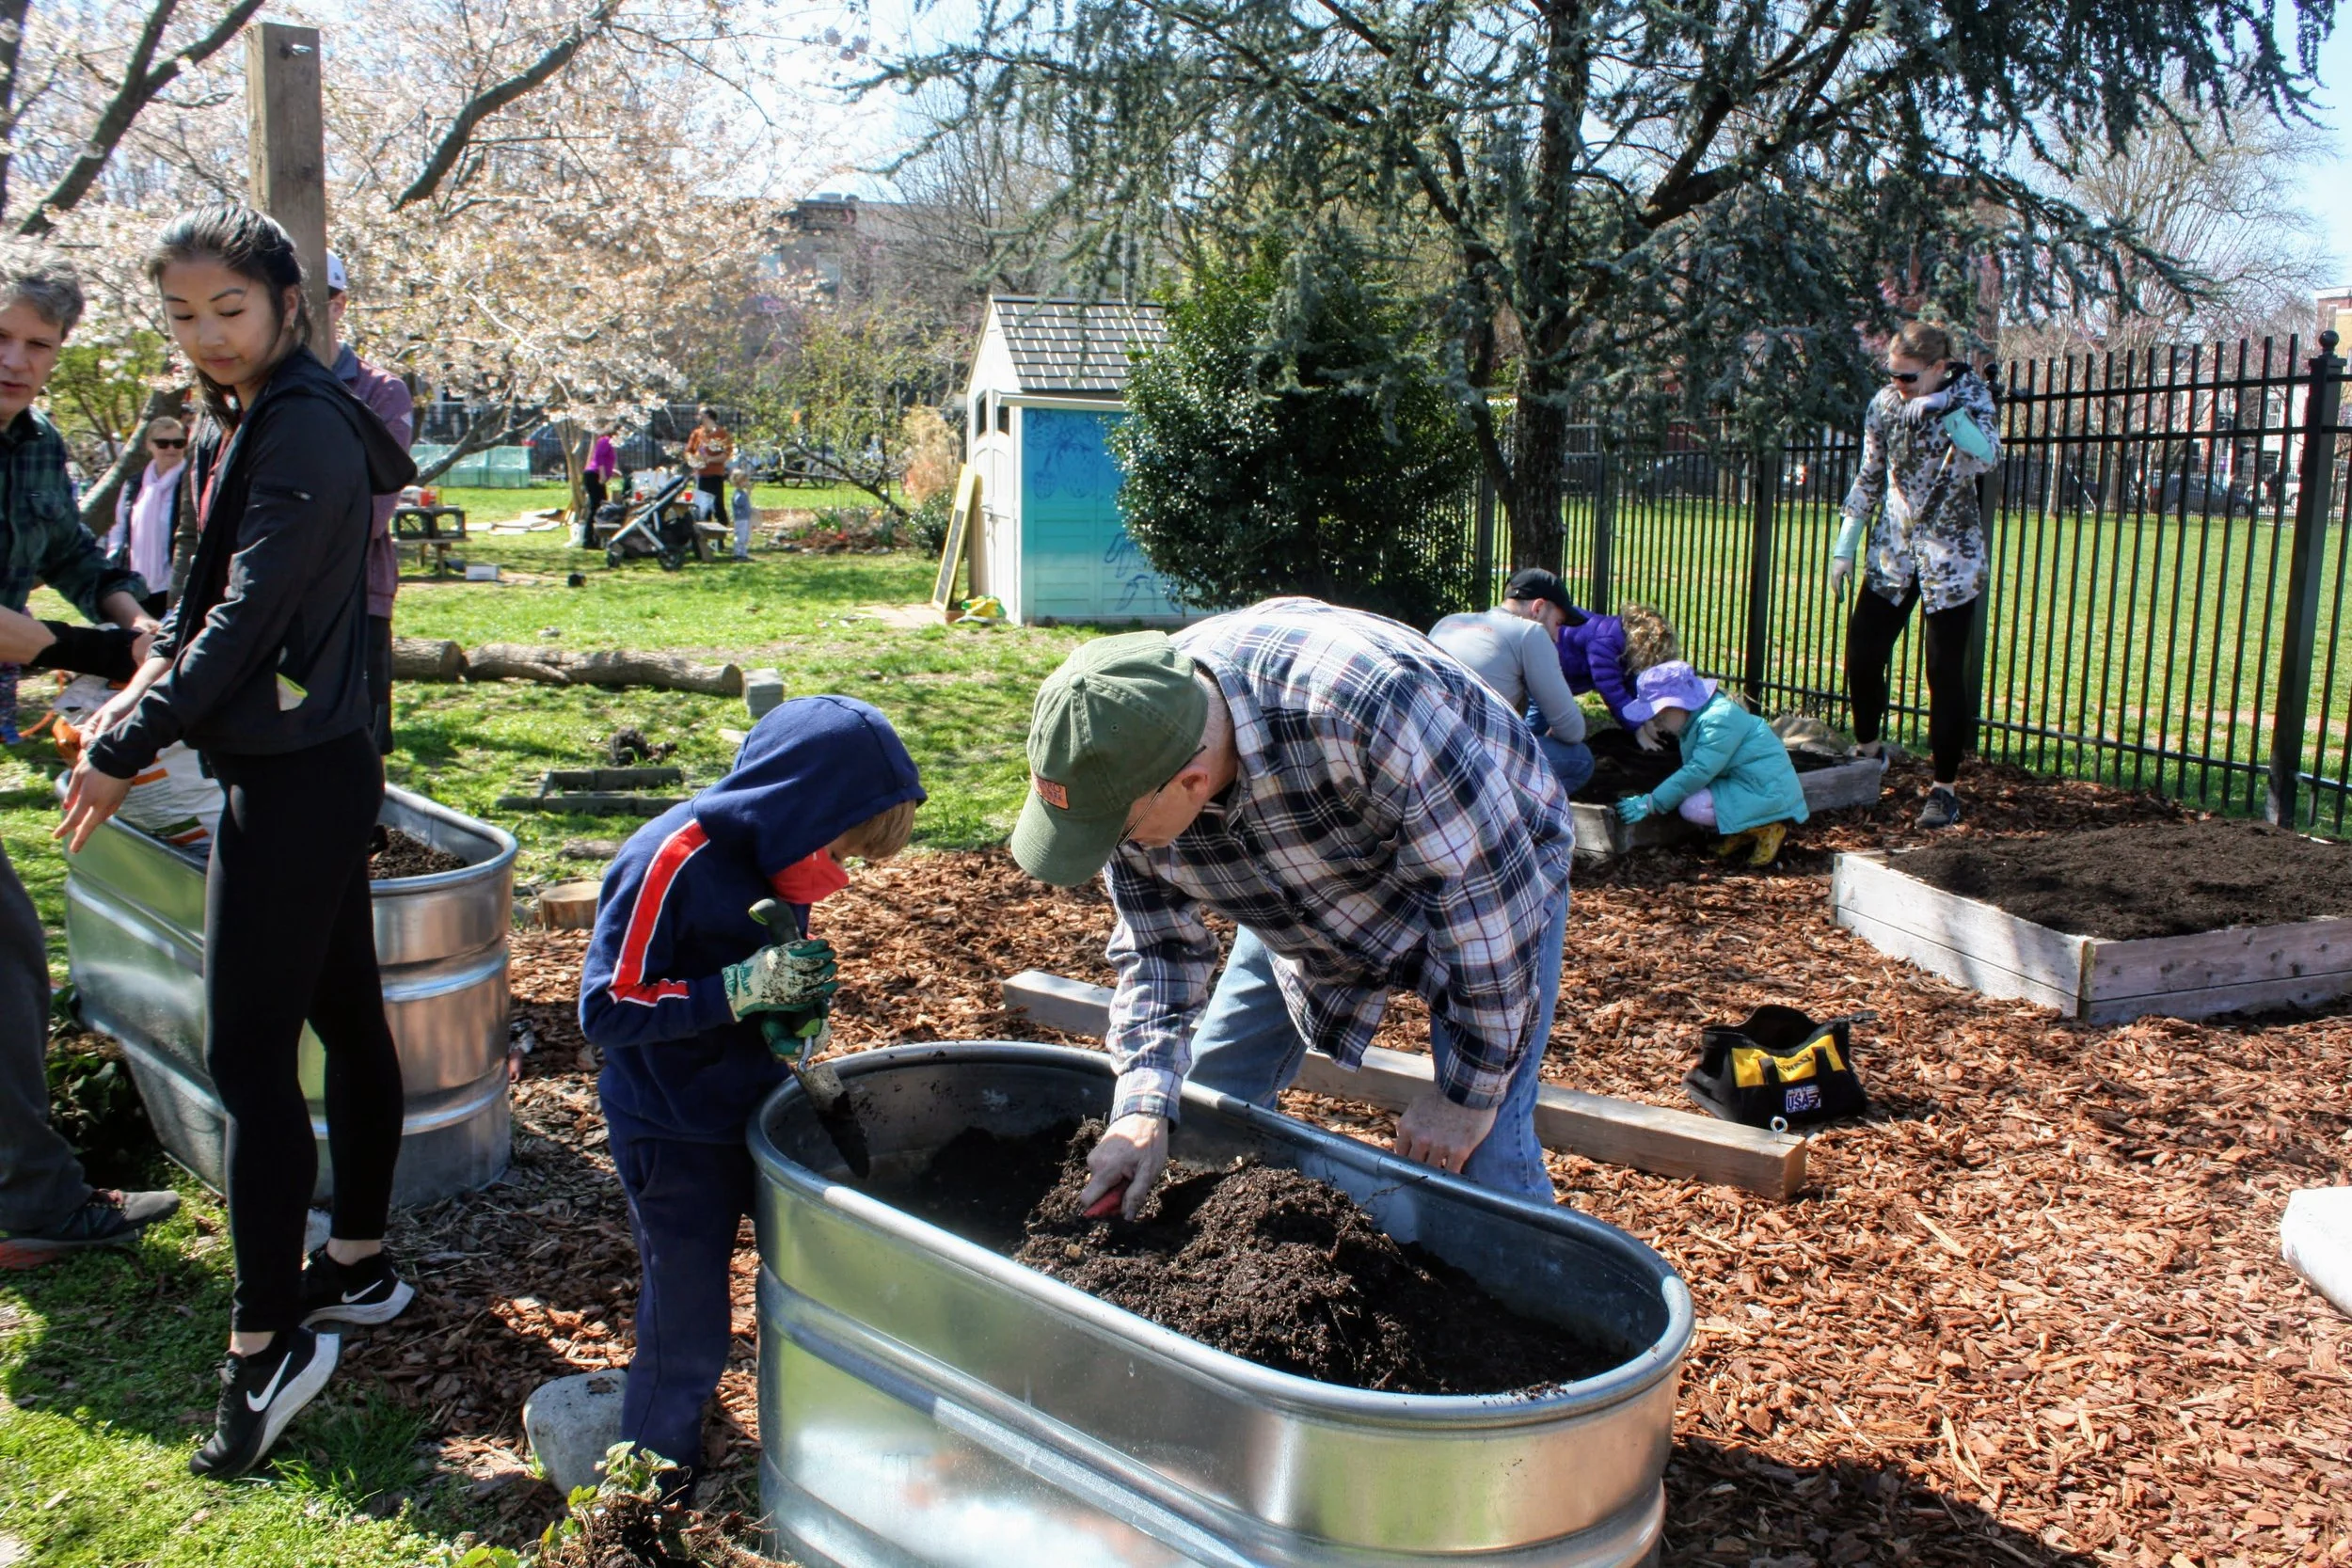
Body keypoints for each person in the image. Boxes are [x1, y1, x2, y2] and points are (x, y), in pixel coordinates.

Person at [57, 205, 420, 1479]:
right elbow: (212, 607)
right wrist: (132, 675)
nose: (209, 337)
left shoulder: (304, 426)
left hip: (299, 773)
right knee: (344, 1013)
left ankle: (268, 1344)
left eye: (230, 310)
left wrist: (122, 739)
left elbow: (249, 616)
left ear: (286, 304)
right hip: (308, 759)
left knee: (248, 1056)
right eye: (184, 316)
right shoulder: (258, 412)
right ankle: (361, 1264)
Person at [1014, 597, 1575, 1216]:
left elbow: (1485, 908)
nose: (1118, 851)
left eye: (1119, 834)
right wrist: (1143, 1103)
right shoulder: (1130, 757)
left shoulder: (1364, 708)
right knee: (1207, 1099)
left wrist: (1467, 1098)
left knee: (1483, 1157)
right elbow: (1159, 953)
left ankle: (1538, 1291)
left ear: (1192, 783)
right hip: (1299, 871)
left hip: (1487, 873)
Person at [579, 697, 923, 1497]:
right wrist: (735, 991)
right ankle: (649, 1470)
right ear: (793, 804)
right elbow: (606, 1007)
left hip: (756, 1107)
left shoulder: (780, 851)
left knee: (805, 1277)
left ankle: (822, 1430)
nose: (838, 874)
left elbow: (770, 959)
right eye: (838, 850)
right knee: (689, 1313)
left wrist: (790, 1012)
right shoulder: (669, 860)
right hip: (670, 1124)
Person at [0, 250, 178, 1272]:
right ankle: (36, 1198)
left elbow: (69, 548)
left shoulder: (32, 443)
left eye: (42, 346)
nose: (20, 362)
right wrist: (72, 650)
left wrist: (131, 618)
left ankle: (32, 1189)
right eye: (6, 338)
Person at [1834, 320, 2001, 829]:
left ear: (1938, 367)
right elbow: (1870, 473)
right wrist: (1846, 544)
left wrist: (1948, 410)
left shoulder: (1970, 395)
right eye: (1892, 375)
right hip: (1894, 552)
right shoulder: (1885, 404)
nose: (1898, 386)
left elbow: (1988, 457)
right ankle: (1869, 754)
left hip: (1951, 558)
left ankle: (1944, 789)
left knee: (1943, 673)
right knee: (1862, 653)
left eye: (1908, 377)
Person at [325, 251, 416, 756]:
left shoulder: (379, 392)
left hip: (357, 594)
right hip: (268, 602)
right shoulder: (250, 391)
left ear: (339, 305)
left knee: (358, 747)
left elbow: (372, 510)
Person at [1614, 660, 1808, 865]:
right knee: (1694, 797)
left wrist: (1653, 802)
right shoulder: (1699, 719)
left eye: (1660, 713)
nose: (1655, 720)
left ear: (1682, 704)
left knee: (1692, 807)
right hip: (1750, 783)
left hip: (1767, 790)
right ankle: (1741, 830)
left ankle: (1767, 828)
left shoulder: (1718, 720)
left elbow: (1699, 771)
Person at [1428, 567, 1593, 794]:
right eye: (1557, 624)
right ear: (1538, 607)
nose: (1556, 637)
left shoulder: (1448, 623)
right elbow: (1573, 731)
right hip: (1466, 759)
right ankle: (1513, 823)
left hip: (1424, 747)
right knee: (1580, 760)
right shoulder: (1530, 632)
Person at [1556, 600, 1681, 748]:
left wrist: (1646, 720)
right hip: (1552, 668)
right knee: (1541, 713)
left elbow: (1631, 686)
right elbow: (1613, 693)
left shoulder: (1623, 643)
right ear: (1640, 645)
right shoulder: (1605, 644)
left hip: (1565, 675)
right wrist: (1639, 732)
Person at [107, 416, 187, 617]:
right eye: (163, 443)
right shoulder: (134, 485)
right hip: (137, 583)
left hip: (175, 584)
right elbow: (120, 528)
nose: (171, 449)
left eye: (178, 443)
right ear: (149, 445)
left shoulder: (190, 483)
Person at [684, 407, 732, 535]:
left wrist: (710, 459)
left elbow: (725, 454)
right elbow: (688, 451)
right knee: (702, 506)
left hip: (715, 474)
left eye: (701, 415)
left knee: (717, 504)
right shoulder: (697, 433)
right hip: (700, 474)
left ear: (709, 417)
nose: (698, 418)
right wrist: (693, 460)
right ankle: (704, 534)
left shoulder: (721, 434)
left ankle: (721, 533)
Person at [583, 425, 618, 540]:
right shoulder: (605, 440)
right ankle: (589, 539)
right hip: (594, 475)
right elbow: (599, 458)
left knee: (602, 505)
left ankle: (596, 537)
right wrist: (603, 475)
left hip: (597, 475)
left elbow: (606, 460)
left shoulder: (610, 443)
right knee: (597, 506)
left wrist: (611, 471)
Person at [727, 467, 755, 562]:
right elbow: (739, 502)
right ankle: (737, 554)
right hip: (740, 518)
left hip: (745, 518)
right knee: (740, 537)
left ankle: (743, 554)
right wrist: (748, 492)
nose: (747, 483)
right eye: (745, 481)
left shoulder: (742, 493)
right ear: (739, 482)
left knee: (745, 536)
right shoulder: (738, 494)